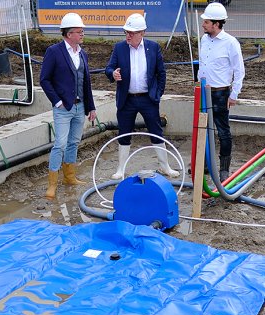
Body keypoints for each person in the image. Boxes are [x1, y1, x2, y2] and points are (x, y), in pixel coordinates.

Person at [104, 13, 178, 180]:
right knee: (124, 132)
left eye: (132, 32)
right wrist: (112, 73)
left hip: (148, 98)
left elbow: (161, 73)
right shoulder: (119, 48)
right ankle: (121, 169)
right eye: (126, 32)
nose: (128, 35)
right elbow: (108, 68)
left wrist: (157, 94)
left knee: (156, 131)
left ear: (142, 33)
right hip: (127, 98)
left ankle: (165, 166)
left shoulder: (153, 47)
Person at [39, 12, 97, 199]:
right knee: (60, 144)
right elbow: (45, 80)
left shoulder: (83, 54)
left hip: (80, 107)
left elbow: (86, 82)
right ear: (69, 33)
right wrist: (57, 101)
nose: (82, 34)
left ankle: (69, 176)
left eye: (82, 31)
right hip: (63, 108)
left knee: (74, 142)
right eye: (79, 32)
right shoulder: (54, 52)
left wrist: (91, 107)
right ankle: (52, 183)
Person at [197, 2, 245, 178]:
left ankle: (224, 169)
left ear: (216, 24)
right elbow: (203, 64)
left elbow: (239, 70)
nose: (203, 24)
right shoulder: (204, 40)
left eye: (206, 22)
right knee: (203, 129)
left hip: (220, 93)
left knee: (223, 131)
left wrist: (233, 95)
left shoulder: (230, 43)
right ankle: (205, 164)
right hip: (203, 92)